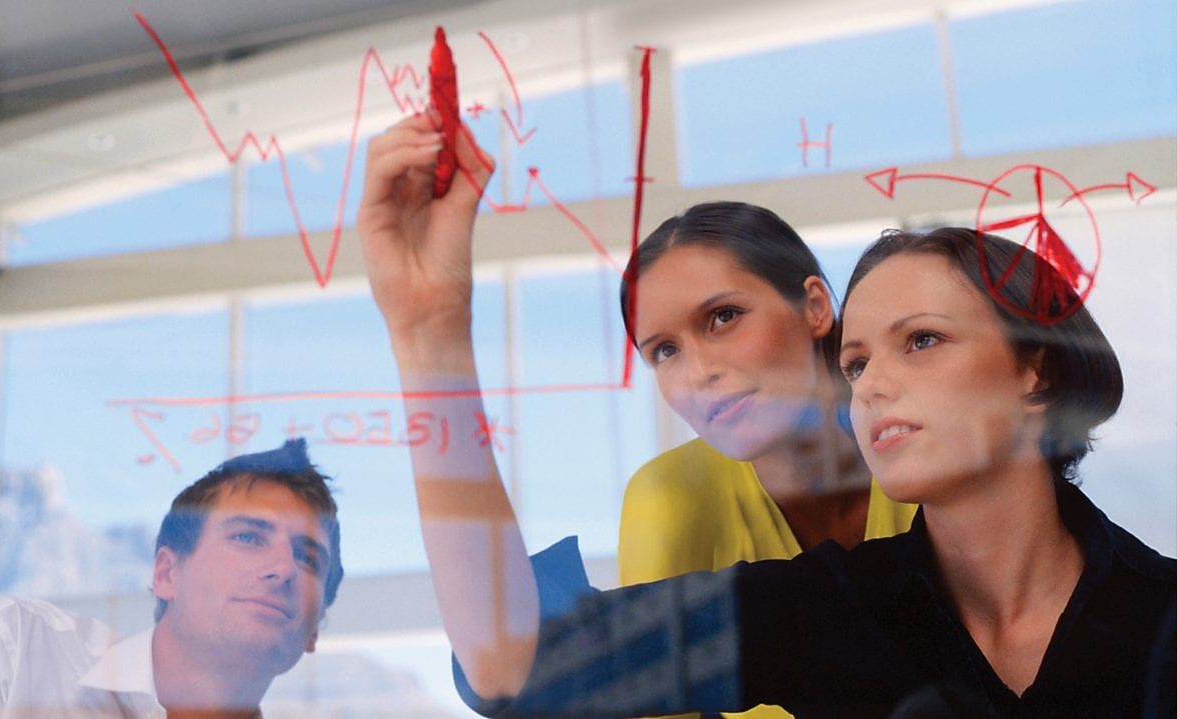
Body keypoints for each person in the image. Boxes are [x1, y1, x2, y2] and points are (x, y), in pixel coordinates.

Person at [356, 112, 1175, 717]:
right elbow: (512, 660)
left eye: (921, 340)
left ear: (1034, 367)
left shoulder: (1162, 614)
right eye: (856, 363)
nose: (873, 384)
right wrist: (430, 335)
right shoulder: (826, 609)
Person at [618, 202, 916, 719]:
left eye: (723, 317)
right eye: (665, 351)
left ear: (815, 307)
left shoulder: (927, 450)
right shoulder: (669, 500)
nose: (698, 372)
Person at [0, 438, 343, 718]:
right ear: (168, 573)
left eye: (308, 559)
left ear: (313, 630)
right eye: (248, 536)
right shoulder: (9, 652)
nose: (284, 568)